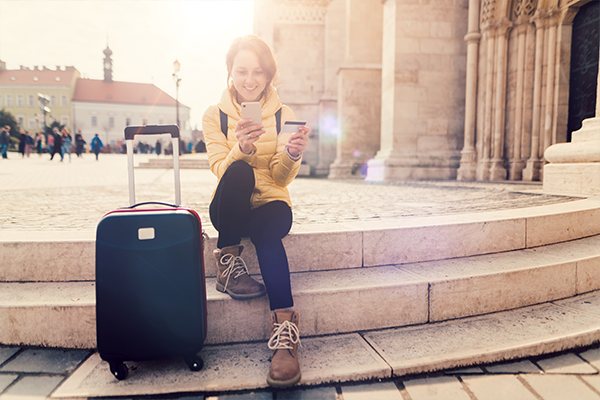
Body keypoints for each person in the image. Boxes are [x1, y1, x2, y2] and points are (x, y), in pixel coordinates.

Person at [202, 34, 310, 388]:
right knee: (240, 170)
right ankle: (228, 263)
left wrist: (292, 155)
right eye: (242, 71)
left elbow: (280, 177)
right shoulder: (213, 116)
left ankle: (285, 333)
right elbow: (220, 167)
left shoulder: (283, 115)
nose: (250, 80)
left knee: (267, 230)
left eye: (258, 72)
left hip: (270, 204)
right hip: (230, 206)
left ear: (269, 76)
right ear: (230, 73)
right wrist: (242, 148)